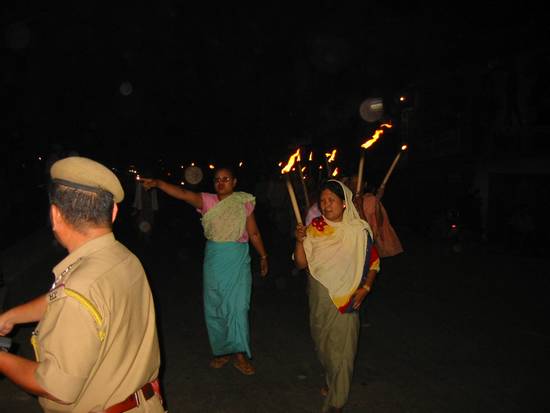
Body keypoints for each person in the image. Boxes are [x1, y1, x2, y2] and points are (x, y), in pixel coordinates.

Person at [0, 156, 164, 412]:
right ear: (113, 212)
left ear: (55, 215)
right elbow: (64, 299)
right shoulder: (124, 258)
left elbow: (55, 388)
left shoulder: (79, 290)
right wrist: (12, 316)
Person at [140, 165, 268, 375]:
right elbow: (182, 194)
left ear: (234, 182)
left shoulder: (243, 202)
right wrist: (158, 183)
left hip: (237, 259)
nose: (221, 182)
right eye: (217, 179)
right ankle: (223, 351)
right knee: (216, 306)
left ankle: (239, 354)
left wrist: (263, 255)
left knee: (238, 307)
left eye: (226, 179)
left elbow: (253, 232)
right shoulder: (207, 200)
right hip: (215, 259)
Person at [294, 179, 380, 413]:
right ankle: (334, 382)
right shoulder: (314, 228)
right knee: (323, 346)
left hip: (347, 297)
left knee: (342, 353)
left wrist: (366, 288)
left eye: (331, 200)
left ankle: (336, 402)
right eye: (322, 201)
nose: (326, 204)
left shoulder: (358, 230)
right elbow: (302, 263)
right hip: (319, 296)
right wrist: (299, 240)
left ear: (344, 204)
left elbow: (373, 262)